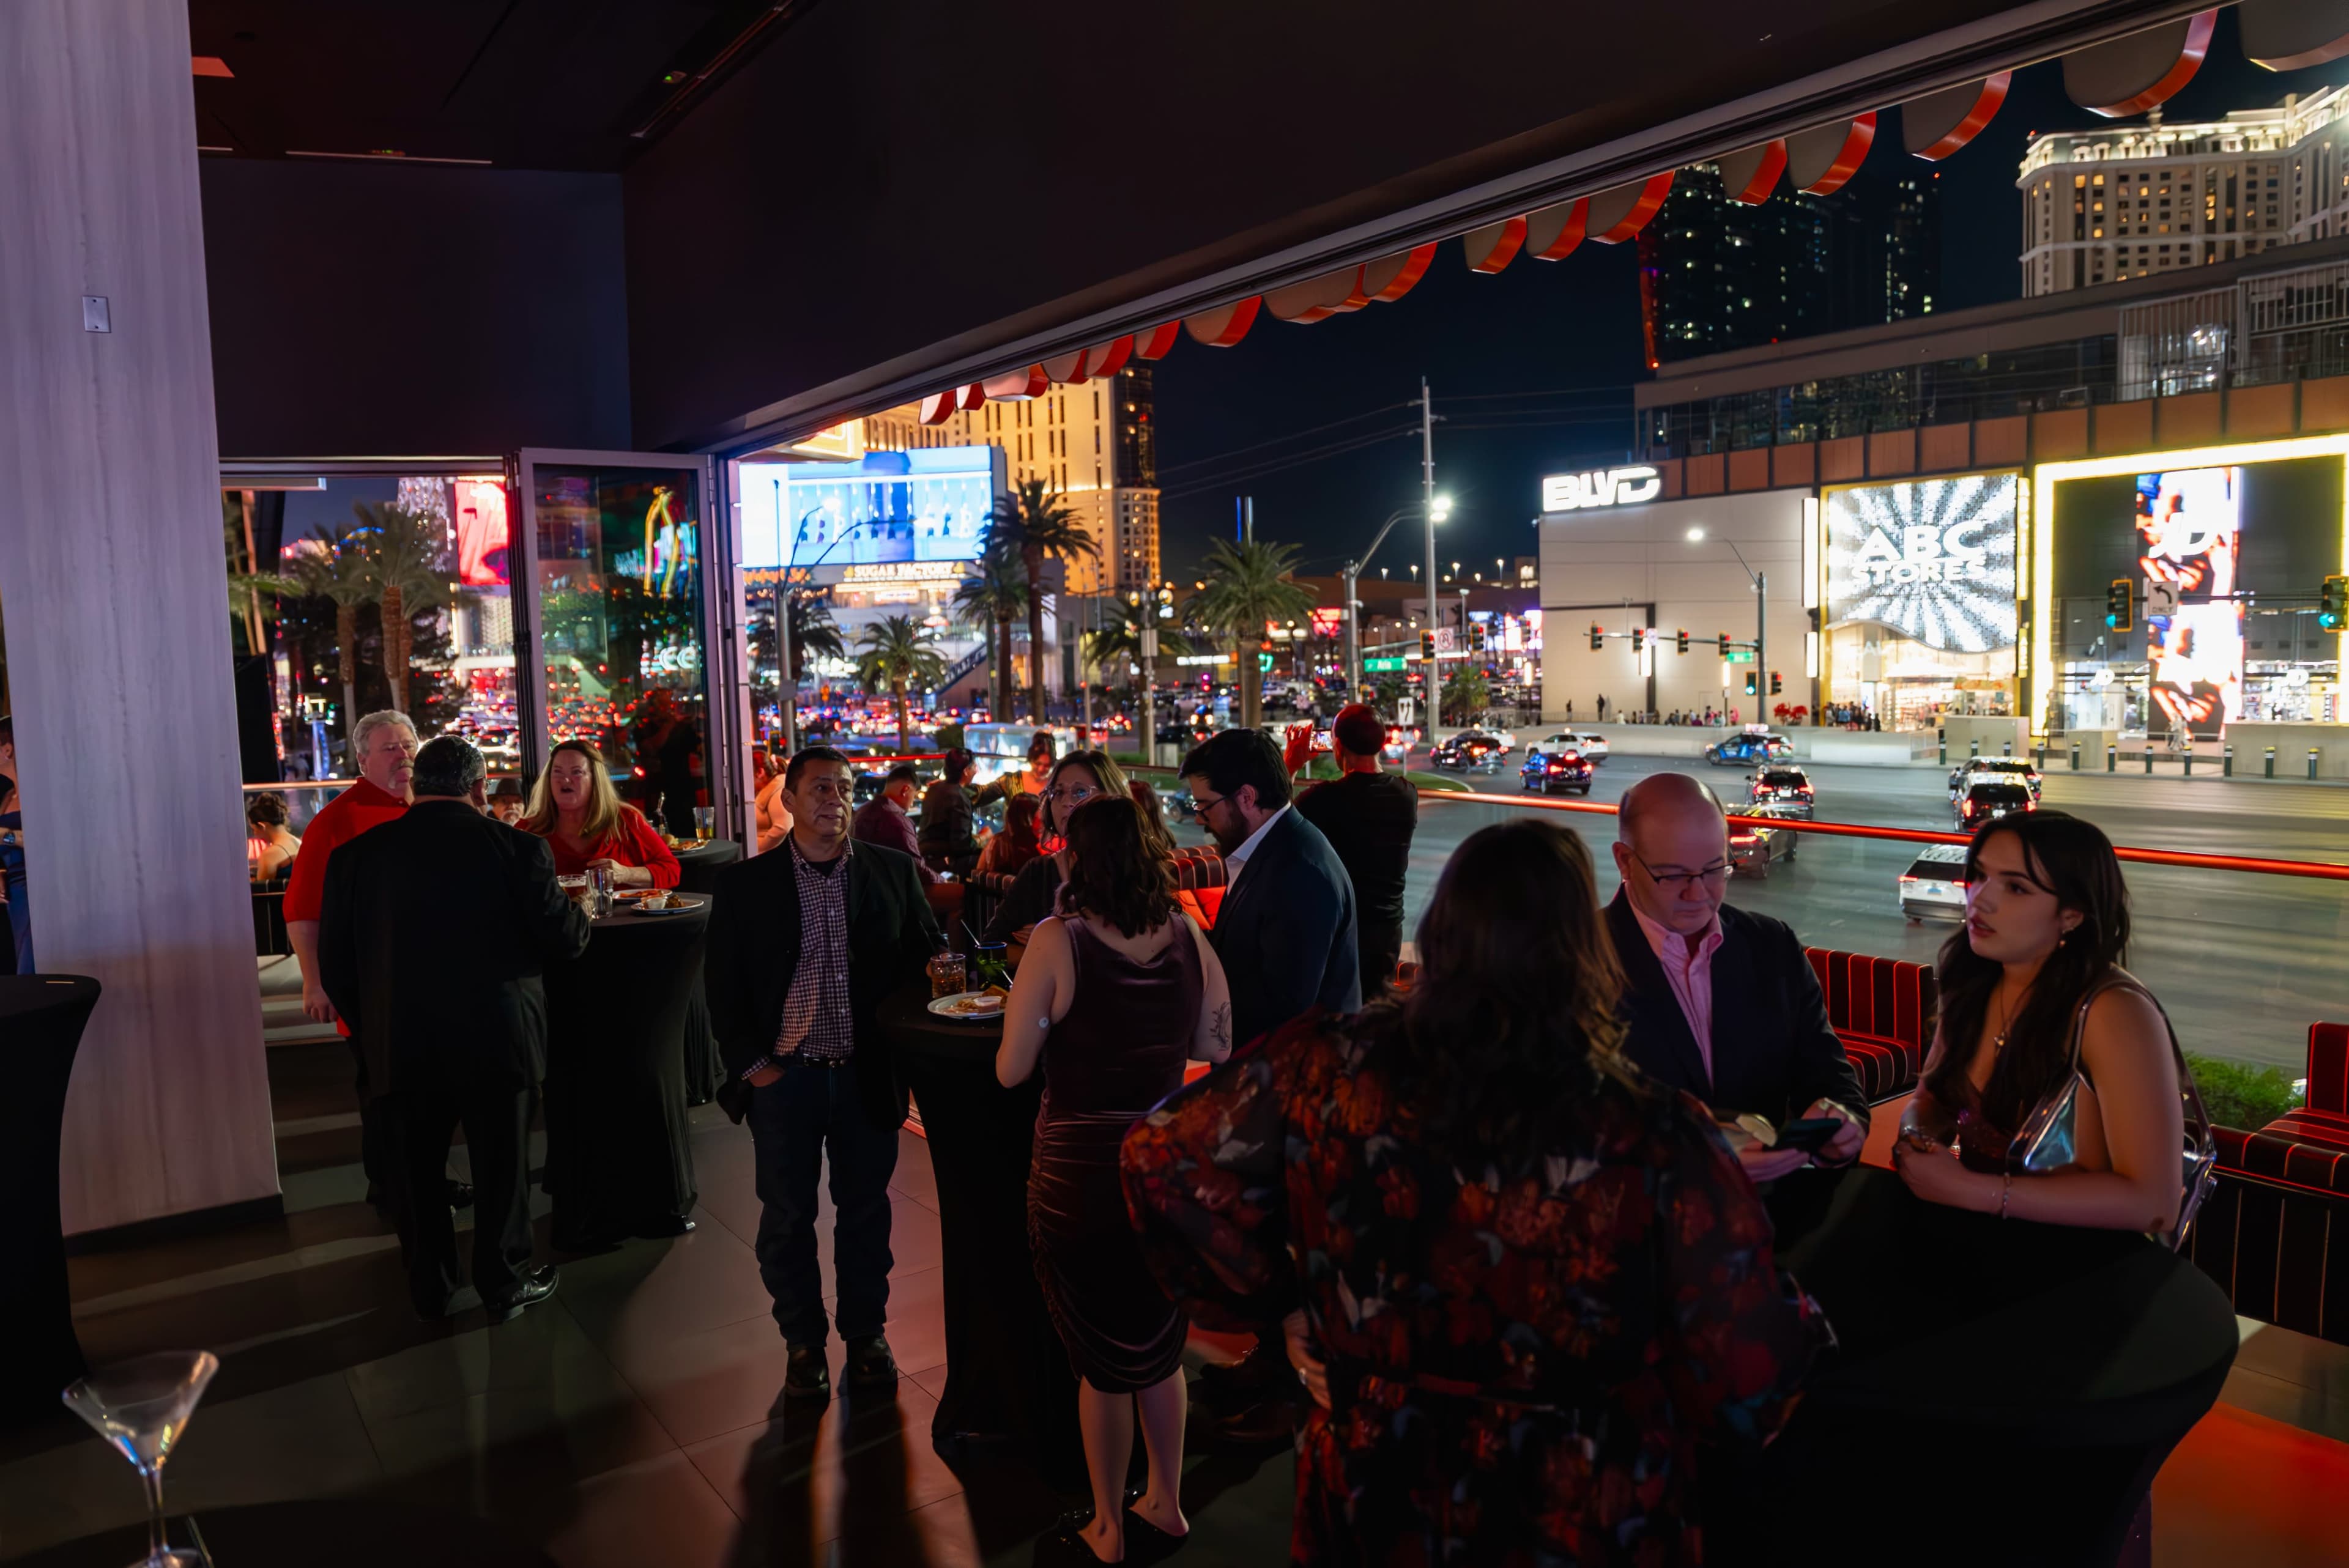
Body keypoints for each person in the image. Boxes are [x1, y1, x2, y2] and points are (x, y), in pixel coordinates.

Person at [1121, 820, 1827, 1564]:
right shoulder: (1647, 1128)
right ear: (1583, 955)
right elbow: (1751, 1373)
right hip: (1577, 1494)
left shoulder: (1322, 1062)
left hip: (1378, 1470)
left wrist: (1285, 1298)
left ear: (1442, 929)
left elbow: (1159, 1158)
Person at [996, 796, 1232, 1562]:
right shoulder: (1190, 936)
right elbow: (1216, 1043)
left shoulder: (1056, 941)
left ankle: (1106, 1523)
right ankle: (1165, 1500)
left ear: (1077, 859)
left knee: (1101, 1361)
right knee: (1162, 1344)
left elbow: (1011, 1069)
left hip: (1081, 1174)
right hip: (1166, 1171)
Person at [316, 736, 590, 1322]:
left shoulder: (358, 857)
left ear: (416, 786)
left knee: (415, 1175)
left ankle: (431, 1287)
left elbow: (336, 964)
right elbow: (563, 942)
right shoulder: (519, 850)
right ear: (478, 786)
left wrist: (373, 1029)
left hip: (401, 1042)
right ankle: (504, 1280)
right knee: (502, 1168)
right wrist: (581, 913)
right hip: (499, 1040)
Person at [705, 745, 940, 1401]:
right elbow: (722, 985)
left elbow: (928, 956)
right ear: (788, 799)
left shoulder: (892, 871)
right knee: (787, 1217)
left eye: (842, 787)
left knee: (866, 1212)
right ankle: (802, 1342)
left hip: (866, 1075)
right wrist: (755, 1067)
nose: (832, 798)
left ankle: (867, 1333)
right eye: (817, 788)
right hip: (788, 1078)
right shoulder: (746, 884)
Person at [1896, 811, 2191, 1233]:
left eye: (2016, 887)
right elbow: (1929, 1101)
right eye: (1979, 875)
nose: (1981, 899)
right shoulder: (1974, 977)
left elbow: (2155, 1204)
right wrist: (1914, 1139)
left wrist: (1972, 1190)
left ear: (2071, 915)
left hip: (2084, 1267)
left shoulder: (2113, 1012)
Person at [1607, 774, 1868, 1237]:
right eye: (1673, 875)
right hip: (1635, 1239)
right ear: (1625, 862)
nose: (1698, 894)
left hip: (1768, 1229)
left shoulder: (1772, 946)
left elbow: (1830, 1079)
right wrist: (1695, 1159)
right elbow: (1555, 1131)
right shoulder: (1574, 962)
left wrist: (1843, 1126)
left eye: (1714, 869)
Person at [1179, 727, 1359, 1049]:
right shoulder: (1271, 847)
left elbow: (1285, 1007)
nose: (1199, 820)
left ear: (1247, 797)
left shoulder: (1300, 873)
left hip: (1296, 1071)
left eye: (1205, 806)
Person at [1292, 704, 1417, 997]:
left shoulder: (1324, 799)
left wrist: (1292, 763)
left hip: (1340, 928)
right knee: (1375, 1009)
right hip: (1388, 929)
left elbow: (1274, 820)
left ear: (1337, 746)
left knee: (1338, 1016)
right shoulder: (1406, 794)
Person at [981, 750, 1134, 945]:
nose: (1066, 802)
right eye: (1058, 792)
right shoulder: (1038, 872)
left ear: (1111, 797)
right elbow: (990, 947)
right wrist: (1044, 950)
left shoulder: (1137, 866)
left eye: (1080, 792)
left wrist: (1057, 940)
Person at [518, 738, 681, 889]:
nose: (566, 780)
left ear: (595, 780)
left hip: (621, 920)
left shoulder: (625, 820)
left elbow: (672, 871)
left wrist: (625, 874)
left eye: (577, 772)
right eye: (558, 772)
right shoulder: (526, 831)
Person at [851, 763, 937, 880]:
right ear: (905, 790)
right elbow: (916, 868)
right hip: (890, 892)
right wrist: (941, 880)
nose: (912, 803)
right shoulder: (898, 821)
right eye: (914, 796)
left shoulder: (860, 812)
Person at [917, 746, 981, 878]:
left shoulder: (934, 790)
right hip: (945, 860)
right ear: (966, 772)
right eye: (975, 766)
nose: (977, 770)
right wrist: (982, 839)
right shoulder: (959, 798)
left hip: (925, 853)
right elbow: (960, 845)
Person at [0, 715, 28, 973]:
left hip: (35, 888)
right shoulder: (8, 796)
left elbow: (38, 840)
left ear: (8, 748)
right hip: (15, 893)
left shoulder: (33, 792)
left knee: (30, 964)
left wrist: (4, 835)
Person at [975, 791, 1044, 878]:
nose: (1042, 820)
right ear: (1029, 818)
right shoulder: (1038, 848)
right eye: (1039, 816)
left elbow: (979, 874)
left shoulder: (995, 842)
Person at [245, 791, 303, 882]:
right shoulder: (299, 843)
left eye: (254, 829)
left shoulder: (270, 855)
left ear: (262, 826)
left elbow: (263, 892)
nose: (255, 834)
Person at [755, 747, 794, 854]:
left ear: (760, 772)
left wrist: (758, 849)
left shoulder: (777, 791)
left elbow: (783, 827)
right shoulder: (769, 790)